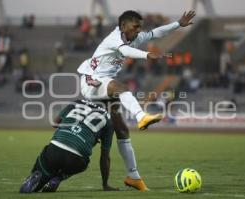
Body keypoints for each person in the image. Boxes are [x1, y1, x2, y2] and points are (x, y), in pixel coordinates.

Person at [77, 10, 195, 191]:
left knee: (122, 130)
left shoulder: (135, 36)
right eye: (135, 27)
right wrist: (147, 55)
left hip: (105, 85)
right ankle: (141, 117)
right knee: (122, 87)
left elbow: (156, 33)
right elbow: (126, 51)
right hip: (92, 81)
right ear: (123, 26)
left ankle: (133, 177)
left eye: (140, 27)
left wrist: (178, 24)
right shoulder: (114, 38)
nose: (139, 31)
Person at [19, 99, 118, 193]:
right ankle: (58, 178)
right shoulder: (109, 121)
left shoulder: (77, 102)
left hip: (55, 149)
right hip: (77, 159)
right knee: (84, 164)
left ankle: (38, 175)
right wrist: (105, 184)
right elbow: (105, 157)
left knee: (45, 164)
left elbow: (54, 123)